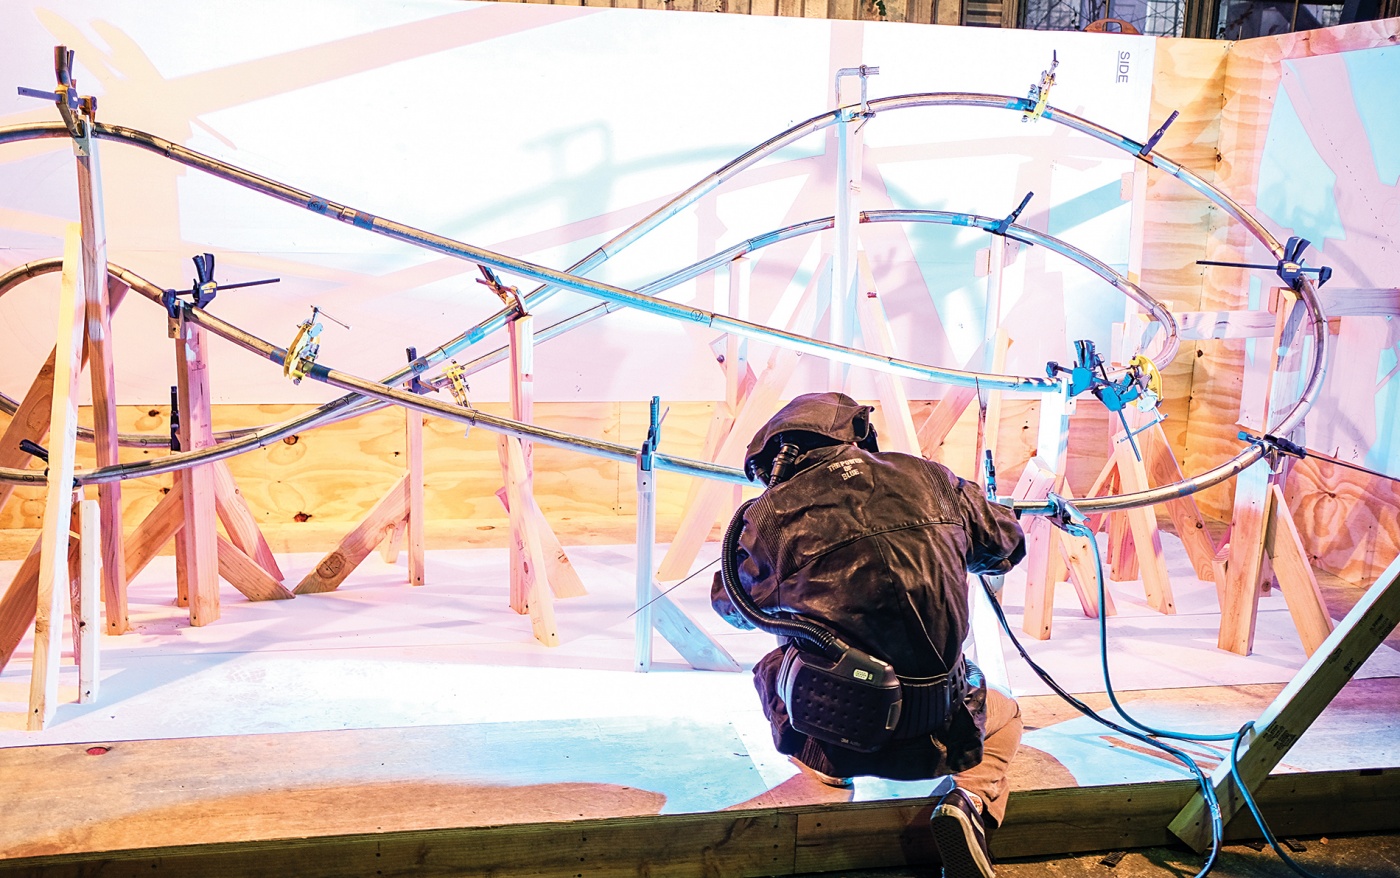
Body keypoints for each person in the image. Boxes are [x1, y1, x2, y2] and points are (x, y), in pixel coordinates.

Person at [711, 391, 1027, 878]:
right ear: (857, 434)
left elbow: (732, 606)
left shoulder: (770, 516)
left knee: (778, 664)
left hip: (838, 734)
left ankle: (831, 773)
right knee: (1005, 714)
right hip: (944, 731)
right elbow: (1007, 543)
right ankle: (968, 802)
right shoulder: (930, 477)